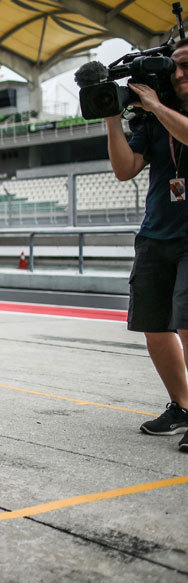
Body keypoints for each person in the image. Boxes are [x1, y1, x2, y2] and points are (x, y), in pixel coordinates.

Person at [104, 37, 188, 454]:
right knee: (155, 328)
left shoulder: (163, 112)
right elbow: (125, 169)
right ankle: (183, 406)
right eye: (177, 67)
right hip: (157, 232)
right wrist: (111, 118)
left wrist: (156, 105)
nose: (181, 73)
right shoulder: (151, 122)